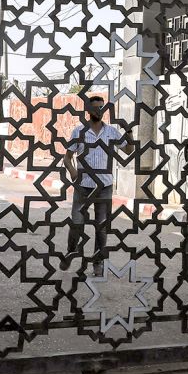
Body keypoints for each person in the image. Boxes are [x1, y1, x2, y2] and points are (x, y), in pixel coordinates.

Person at [63, 95, 133, 274]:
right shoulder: (79, 131)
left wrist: (129, 132)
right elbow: (67, 157)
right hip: (83, 185)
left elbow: (128, 150)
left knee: (101, 228)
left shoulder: (112, 132)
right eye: (95, 108)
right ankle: (71, 252)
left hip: (104, 186)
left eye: (101, 108)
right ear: (88, 110)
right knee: (77, 224)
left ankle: (97, 262)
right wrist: (73, 172)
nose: (99, 111)